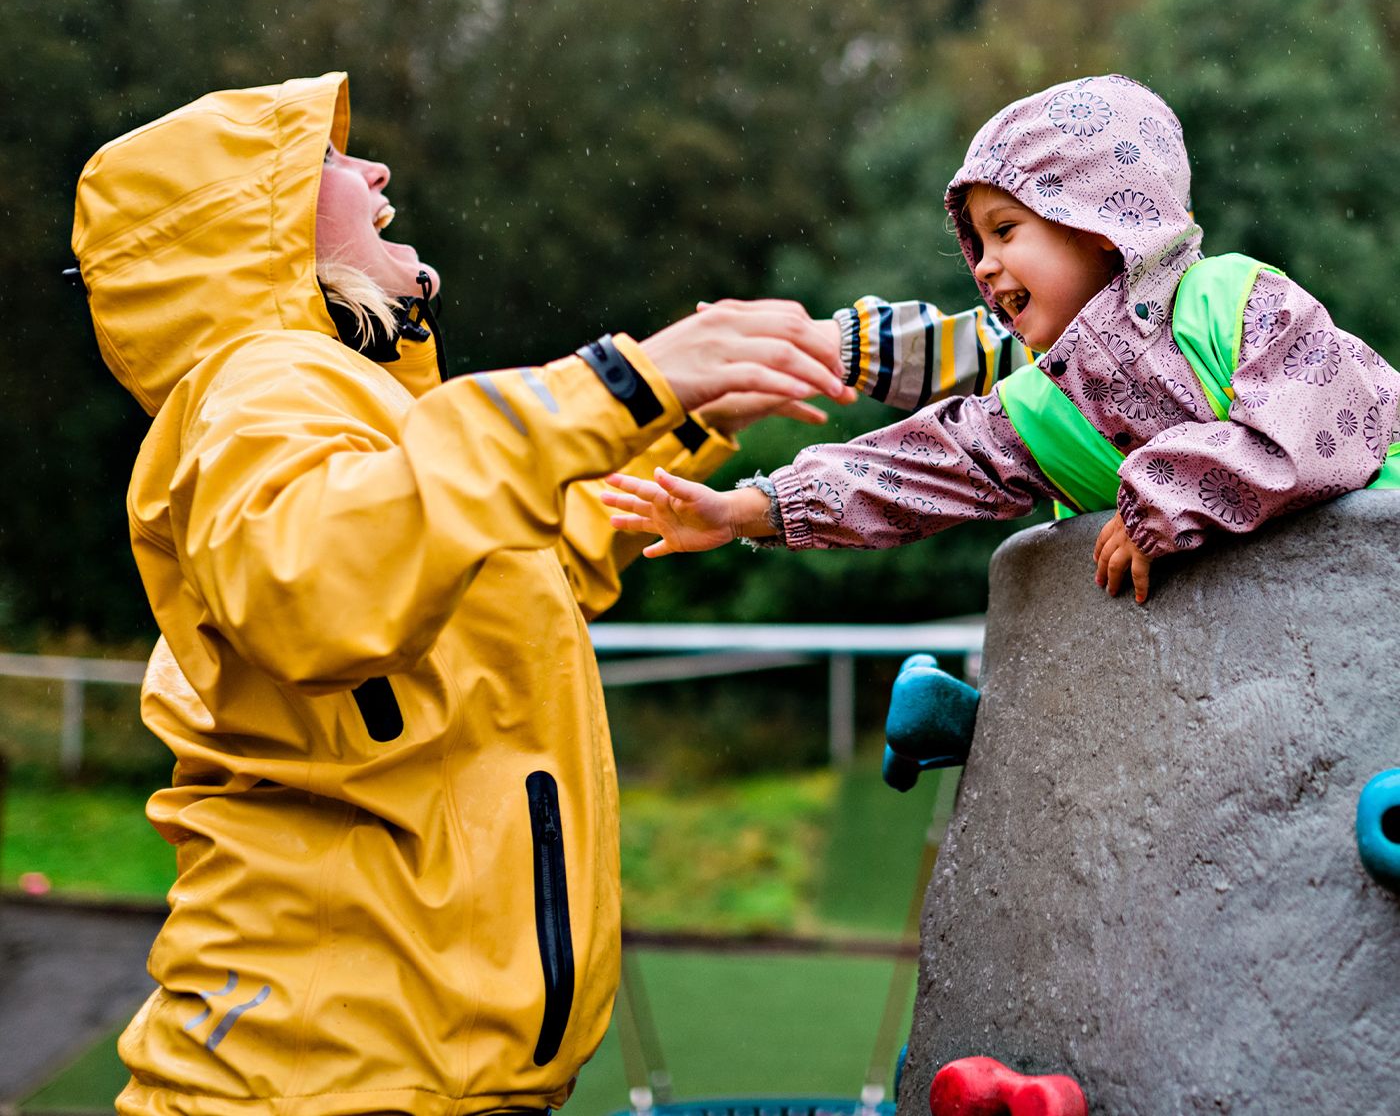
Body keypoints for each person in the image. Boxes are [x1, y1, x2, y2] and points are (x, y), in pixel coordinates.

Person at [70, 71, 1027, 1115]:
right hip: (315, 1086)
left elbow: (517, 566)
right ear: (250, 228)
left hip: (385, 1081)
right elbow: (319, 578)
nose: (374, 167)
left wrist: (680, 417)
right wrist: (623, 381)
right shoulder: (258, 383)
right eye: (329, 160)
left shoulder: (352, 407)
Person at [602, 74, 1400, 605]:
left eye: (1005, 230)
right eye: (975, 244)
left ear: (1100, 222)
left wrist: (1157, 497)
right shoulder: (1041, 406)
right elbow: (918, 466)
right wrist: (747, 509)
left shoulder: (1238, 302)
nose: (984, 267)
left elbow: (1305, 437)